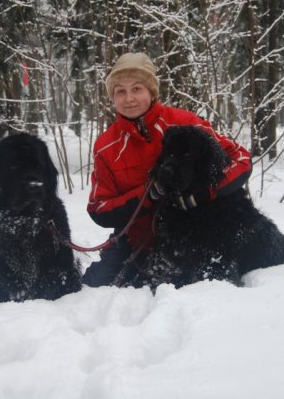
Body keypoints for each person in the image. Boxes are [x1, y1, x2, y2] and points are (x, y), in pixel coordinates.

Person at [82, 52, 252, 287]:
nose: (129, 98)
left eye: (137, 88)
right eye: (120, 91)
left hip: (191, 233)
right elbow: (99, 208)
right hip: (136, 239)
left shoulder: (184, 122)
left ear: (151, 92)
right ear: (112, 97)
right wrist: (146, 195)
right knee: (94, 285)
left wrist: (204, 193)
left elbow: (241, 159)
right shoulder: (106, 146)